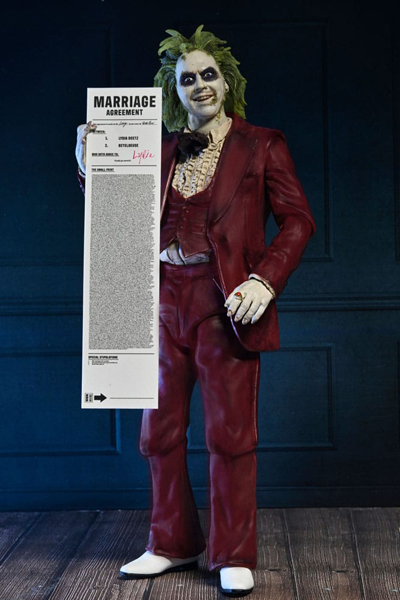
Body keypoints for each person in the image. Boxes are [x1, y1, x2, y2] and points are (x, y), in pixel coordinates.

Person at [76, 25, 316, 597]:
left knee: (229, 433)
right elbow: (117, 215)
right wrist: (89, 163)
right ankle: (171, 541)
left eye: (209, 75)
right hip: (159, 299)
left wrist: (266, 279)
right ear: (175, 89)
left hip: (223, 302)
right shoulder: (158, 149)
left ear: (227, 82)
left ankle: (232, 551)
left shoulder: (261, 145)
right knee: (157, 432)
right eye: (188, 79)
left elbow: (298, 221)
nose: (201, 85)